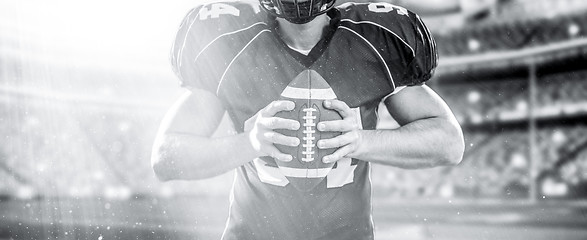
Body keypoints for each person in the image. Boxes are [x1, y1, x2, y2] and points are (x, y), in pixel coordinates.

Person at [151, 0, 465, 238]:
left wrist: (361, 140)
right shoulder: (230, 43)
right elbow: (166, 157)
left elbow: (449, 143)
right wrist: (250, 143)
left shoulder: (374, 42)